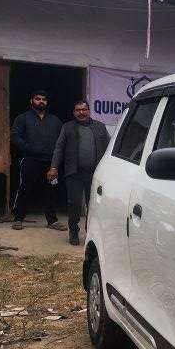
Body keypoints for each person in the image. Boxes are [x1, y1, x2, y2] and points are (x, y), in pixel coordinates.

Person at [48, 100, 110, 245]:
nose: (81, 112)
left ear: (89, 111)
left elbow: (109, 148)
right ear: (74, 112)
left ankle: (91, 233)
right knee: (74, 203)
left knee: (93, 204)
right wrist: (53, 167)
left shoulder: (100, 127)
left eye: (84, 109)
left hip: (96, 174)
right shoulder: (67, 127)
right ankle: (74, 231)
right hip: (74, 172)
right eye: (78, 110)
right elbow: (59, 148)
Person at [11, 89, 66, 232]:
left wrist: (57, 160)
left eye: (44, 99)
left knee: (51, 190)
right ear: (31, 101)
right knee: (25, 188)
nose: (41, 101)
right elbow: (15, 136)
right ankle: (18, 218)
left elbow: (62, 140)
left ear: (47, 102)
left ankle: (52, 221)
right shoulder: (23, 118)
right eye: (38, 99)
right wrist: (28, 148)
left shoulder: (55, 120)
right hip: (30, 159)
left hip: (50, 162)